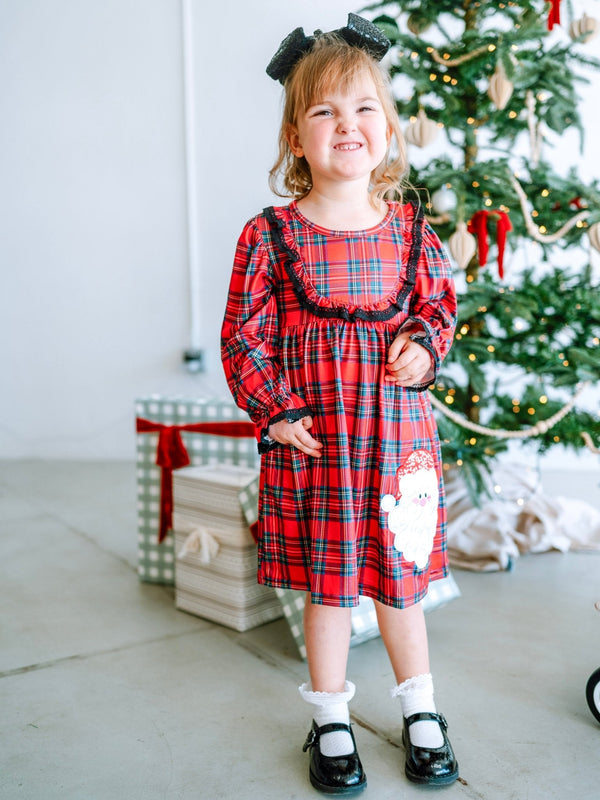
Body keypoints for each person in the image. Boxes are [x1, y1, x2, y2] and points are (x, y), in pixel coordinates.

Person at [221, 13, 458, 795]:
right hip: (319, 447)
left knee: (400, 585)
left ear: (387, 129)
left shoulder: (413, 229)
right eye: (323, 111)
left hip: (396, 445)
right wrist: (275, 409)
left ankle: (420, 710)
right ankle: (330, 717)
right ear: (296, 137)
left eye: (362, 109)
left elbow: (439, 305)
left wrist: (423, 344)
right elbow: (244, 336)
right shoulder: (271, 238)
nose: (345, 125)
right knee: (329, 590)